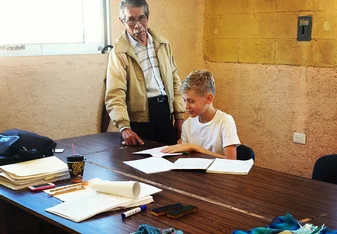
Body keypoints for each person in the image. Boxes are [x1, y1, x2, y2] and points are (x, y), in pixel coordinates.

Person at [105, 0, 185, 146]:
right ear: (122, 20)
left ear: (147, 17)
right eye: (131, 19)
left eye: (141, 18)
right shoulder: (119, 52)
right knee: (141, 165)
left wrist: (179, 116)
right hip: (139, 121)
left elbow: (175, 81)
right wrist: (124, 126)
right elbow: (115, 93)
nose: (137, 24)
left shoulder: (162, 44)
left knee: (171, 162)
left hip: (165, 113)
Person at [162, 70, 240, 159]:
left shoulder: (225, 121)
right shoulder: (187, 125)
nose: (186, 106)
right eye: (184, 100)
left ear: (208, 98)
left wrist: (195, 147)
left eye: (191, 101)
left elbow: (231, 161)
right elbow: (186, 157)